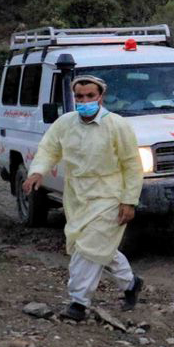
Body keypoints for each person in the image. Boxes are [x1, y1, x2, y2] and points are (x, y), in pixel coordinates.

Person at [23, 76, 144, 321]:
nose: (85, 100)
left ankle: (78, 303)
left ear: (101, 96)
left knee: (89, 247)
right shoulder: (65, 123)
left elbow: (132, 165)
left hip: (109, 195)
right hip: (77, 195)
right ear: (73, 97)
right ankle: (131, 283)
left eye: (90, 96)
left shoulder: (117, 126)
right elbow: (49, 149)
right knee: (92, 245)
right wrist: (37, 171)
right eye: (80, 96)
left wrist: (129, 201)